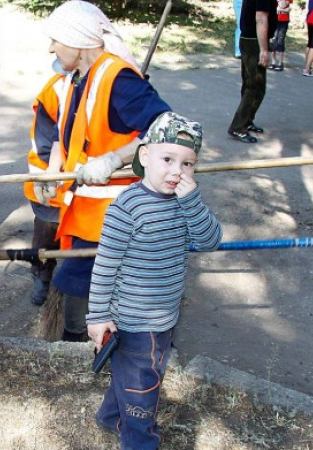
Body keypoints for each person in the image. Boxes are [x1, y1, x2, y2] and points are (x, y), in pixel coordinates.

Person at [36, 0, 171, 342]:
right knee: (81, 282)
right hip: (88, 211)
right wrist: (53, 173)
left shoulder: (118, 78)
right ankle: (84, 342)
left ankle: (94, 345)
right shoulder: (77, 79)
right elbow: (67, 135)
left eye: (56, 40)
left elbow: (167, 127)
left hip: (117, 214)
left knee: (87, 283)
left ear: (77, 41)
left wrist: (113, 160)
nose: (51, 48)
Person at [87, 112, 223, 447]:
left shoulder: (185, 203)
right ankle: (140, 441)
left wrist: (192, 203)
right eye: (168, 159)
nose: (178, 171)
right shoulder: (127, 208)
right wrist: (98, 316)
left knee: (142, 373)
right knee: (142, 389)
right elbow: (105, 266)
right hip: (133, 323)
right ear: (145, 156)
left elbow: (210, 240)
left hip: (165, 317)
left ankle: (110, 416)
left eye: (188, 164)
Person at [24, 67, 65, 306]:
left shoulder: (120, 84)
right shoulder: (55, 91)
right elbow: (45, 146)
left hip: (96, 188)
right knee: (47, 229)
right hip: (52, 181)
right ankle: (42, 272)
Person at [227, 0, 278, 144]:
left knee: (253, 86)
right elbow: (261, 19)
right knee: (254, 87)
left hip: (250, 40)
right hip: (253, 42)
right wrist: (263, 50)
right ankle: (238, 127)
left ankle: (247, 120)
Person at [269, 0, 292, 71]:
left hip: (284, 21)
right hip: (274, 19)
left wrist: (279, 8)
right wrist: (282, 9)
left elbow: (284, 6)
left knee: (280, 40)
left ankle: (280, 62)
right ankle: (273, 62)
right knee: (273, 39)